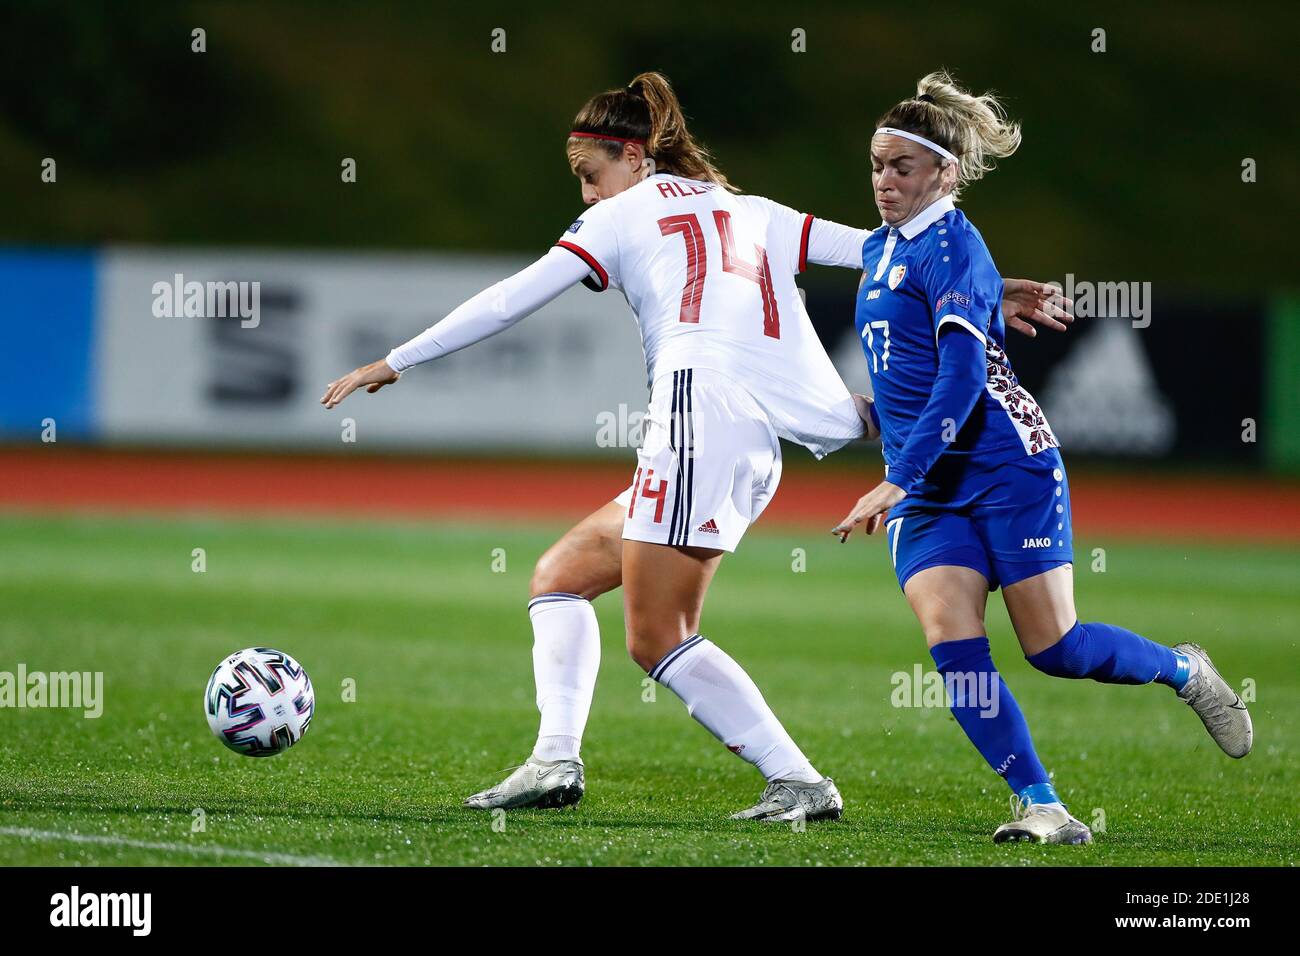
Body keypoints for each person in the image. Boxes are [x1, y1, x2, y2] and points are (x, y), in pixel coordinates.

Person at [322, 72, 1068, 821]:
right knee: (559, 577)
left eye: (591, 176)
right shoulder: (749, 210)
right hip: (740, 438)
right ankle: (555, 759)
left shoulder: (621, 216)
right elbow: (884, 252)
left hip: (697, 424)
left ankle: (799, 781)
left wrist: (397, 360)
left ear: (635, 159)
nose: (587, 194)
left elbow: (512, 295)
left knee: (658, 638)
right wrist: (982, 287)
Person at [833, 71, 1253, 845]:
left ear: (944, 173)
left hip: (1005, 464)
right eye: (876, 166)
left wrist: (894, 477)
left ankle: (1183, 669)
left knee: (1054, 649)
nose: (884, 182)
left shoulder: (956, 245)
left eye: (902, 168)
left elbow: (961, 380)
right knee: (951, 640)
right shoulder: (881, 246)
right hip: (931, 488)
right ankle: (1044, 807)